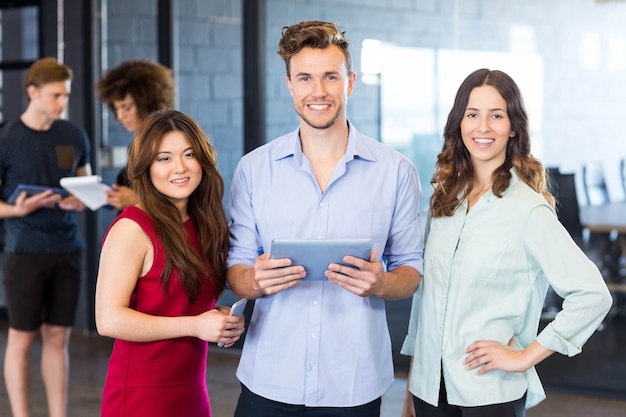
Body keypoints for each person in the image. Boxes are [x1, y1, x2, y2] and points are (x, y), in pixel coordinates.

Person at [227, 20, 424, 417]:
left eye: (330, 77)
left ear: (350, 82)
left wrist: (382, 282)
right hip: (269, 377)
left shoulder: (396, 171)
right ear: (289, 86)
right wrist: (254, 281)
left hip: (352, 383)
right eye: (305, 78)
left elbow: (411, 273)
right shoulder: (253, 169)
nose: (318, 91)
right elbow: (236, 269)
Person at [400, 68, 613, 417]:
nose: (482, 127)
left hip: (488, 391)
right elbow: (426, 300)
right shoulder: (443, 200)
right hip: (428, 390)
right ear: (460, 123)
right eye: (472, 115)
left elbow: (592, 294)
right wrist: (412, 384)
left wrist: (525, 356)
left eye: (496, 116)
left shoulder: (528, 210)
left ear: (512, 126)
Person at [95, 109, 245, 417]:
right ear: (146, 167)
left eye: (189, 154)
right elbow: (108, 320)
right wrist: (196, 325)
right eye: (164, 158)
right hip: (142, 394)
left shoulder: (204, 223)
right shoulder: (132, 228)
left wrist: (218, 318)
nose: (180, 167)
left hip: (192, 390)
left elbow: (184, 300)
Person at [0, 57, 91, 417]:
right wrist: (17, 210)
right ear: (32, 93)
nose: (62, 102)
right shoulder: (6, 139)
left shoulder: (73, 135)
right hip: (24, 251)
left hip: (68, 249)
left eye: (65, 95)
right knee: (21, 339)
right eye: (55, 95)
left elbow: (87, 186)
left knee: (58, 338)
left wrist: (79, 200)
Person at [96, 59, 175, 210]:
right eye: (116, 109)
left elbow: (179, 197)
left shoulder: (168, 142)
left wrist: (134, 199)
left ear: (147, 103)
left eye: (126, 107)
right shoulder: (138, 143)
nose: (120, 116)